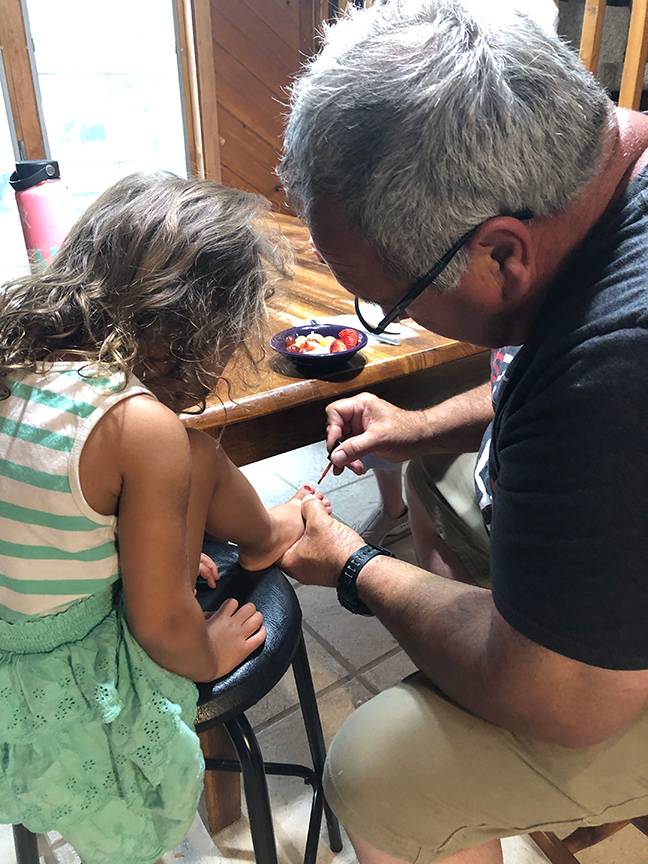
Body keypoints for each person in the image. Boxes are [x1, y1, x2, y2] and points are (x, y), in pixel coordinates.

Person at [278, 1, 648, 863]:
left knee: (379, 772)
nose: (381, 321)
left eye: (389, 303)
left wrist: (353, 566)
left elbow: (569, 701)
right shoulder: (612, 180)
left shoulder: (619, 358)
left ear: (501, 254)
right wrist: (414, 426)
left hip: (600, 689)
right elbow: (555, 385)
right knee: (438, 477)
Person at [0, 171, 328, 864]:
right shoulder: (135, 426)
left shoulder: (19, 354)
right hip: (65, 674)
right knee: (190, 454)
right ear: (196, 332)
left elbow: (44, 510)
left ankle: (269, 531)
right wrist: (206, 648)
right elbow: (159, 626)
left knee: (195, 455)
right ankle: (271, 534)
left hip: (12, 614)